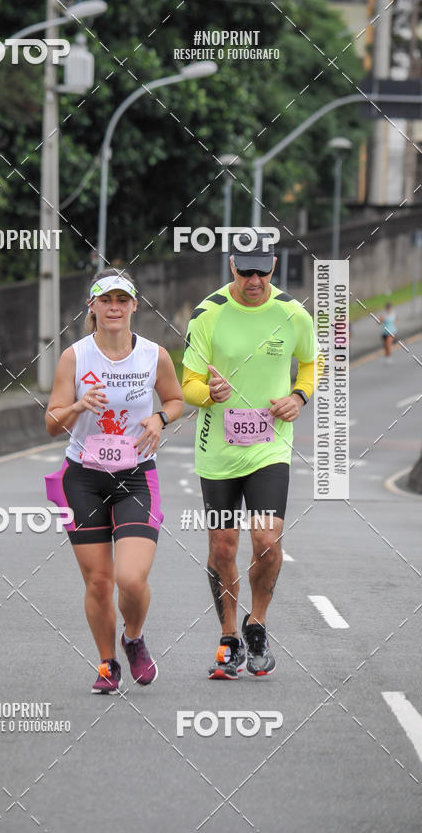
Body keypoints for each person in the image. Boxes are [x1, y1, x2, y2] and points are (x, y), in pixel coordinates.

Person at [182, 233, 318, 680]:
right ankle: (228, 637)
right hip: (217, 450)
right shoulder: (208, 314)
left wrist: (298, 395)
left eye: (262, 270)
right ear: (232, 267)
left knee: (266, 541)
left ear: (273, 267)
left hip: (269, 447)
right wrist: (208, 392)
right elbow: (189, 383)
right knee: (222, 547)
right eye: (246, 270)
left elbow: (313, 363)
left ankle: (256, 623)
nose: (254, 279)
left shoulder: (292, 314)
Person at [45, 270, 183, 694]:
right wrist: (77, 406)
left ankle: (134, 637)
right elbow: (51, 422)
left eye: (123, 300)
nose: (114, 308)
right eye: (106, 301)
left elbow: (176, 399)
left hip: (136, 476)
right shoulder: (75, 356)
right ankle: (107, 663)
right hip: (83, 477)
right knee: (99, 582)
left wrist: (160, 418)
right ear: (93, 307)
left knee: (131, 578)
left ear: (135, 306)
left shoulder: (154, 355)